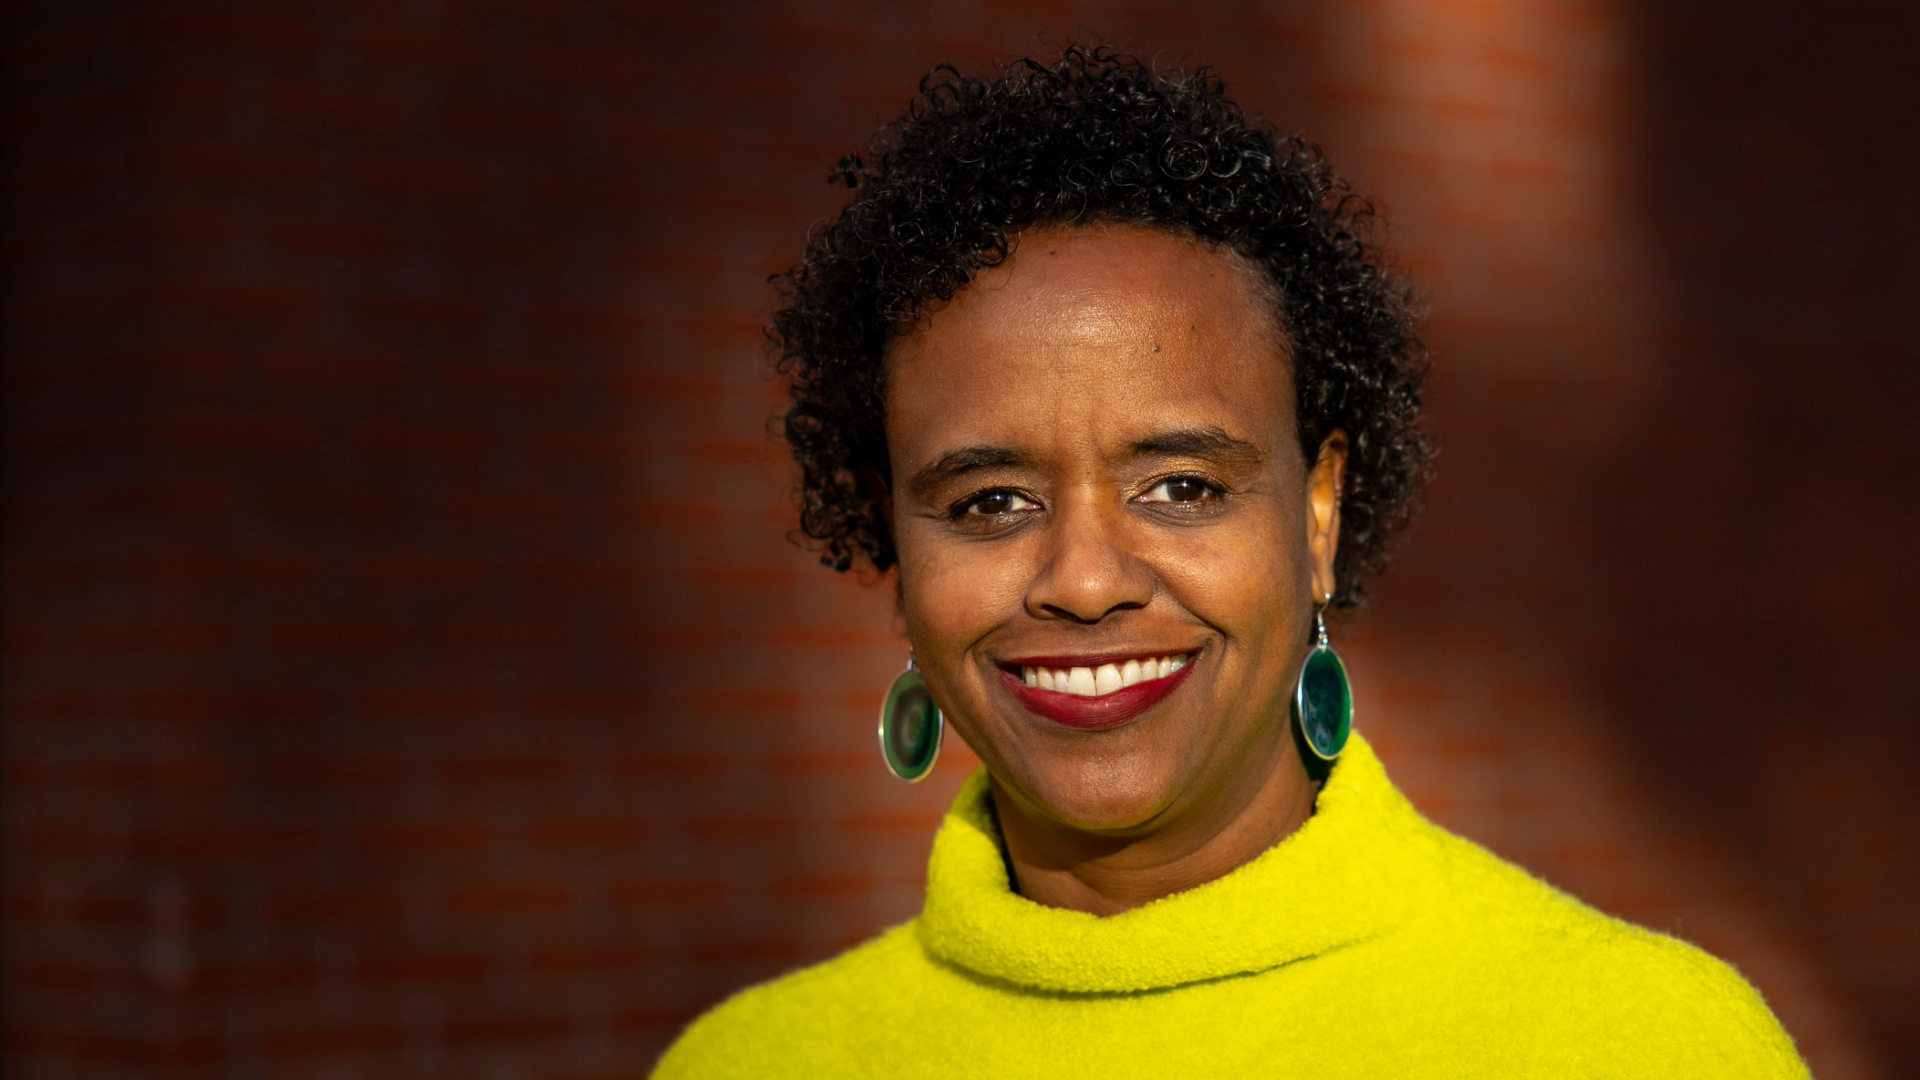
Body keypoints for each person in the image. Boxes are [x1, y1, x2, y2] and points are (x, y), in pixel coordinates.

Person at [653, 47, 1807, 1078]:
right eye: (990, 501)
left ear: (1317, 514)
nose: (1087, 580)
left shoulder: (1642, 1043)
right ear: (894, 545)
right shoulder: (750, 1061)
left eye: (1182, 489)